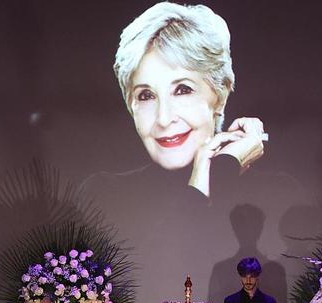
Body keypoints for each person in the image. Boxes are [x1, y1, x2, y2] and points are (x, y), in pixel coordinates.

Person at [113, 2, 266, 198]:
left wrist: (219, 170)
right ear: (131, 105)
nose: (164, 119)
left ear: (220, 97)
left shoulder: (278, 191)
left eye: (182, 90)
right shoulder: (102, 193)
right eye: (146, 96)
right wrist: (214, 174)